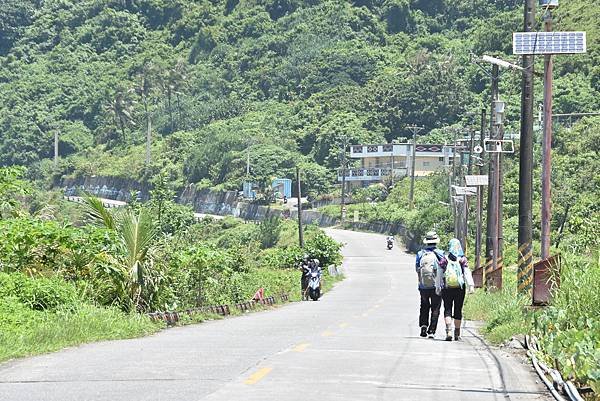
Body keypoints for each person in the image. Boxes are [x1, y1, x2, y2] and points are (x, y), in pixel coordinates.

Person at [437, 238, 474, 341]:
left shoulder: (444, 259)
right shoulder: (462, 259)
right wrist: (471, 285)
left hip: (447, 287)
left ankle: (448, 330)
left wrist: (438, 287)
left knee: (447, 309)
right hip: (460, 288)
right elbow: (466, 273)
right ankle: (457, 333)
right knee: (458, 309)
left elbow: (439, 274)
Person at [415, 231, 446, 338]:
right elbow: (444, 269)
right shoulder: (440, 253)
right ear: (436, 242)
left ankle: (423, 326)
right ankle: (432, 331)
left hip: (423, 286)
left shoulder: (420, 254)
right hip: (437, 286)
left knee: (424, 306)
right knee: (435, 307)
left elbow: (417, 269)